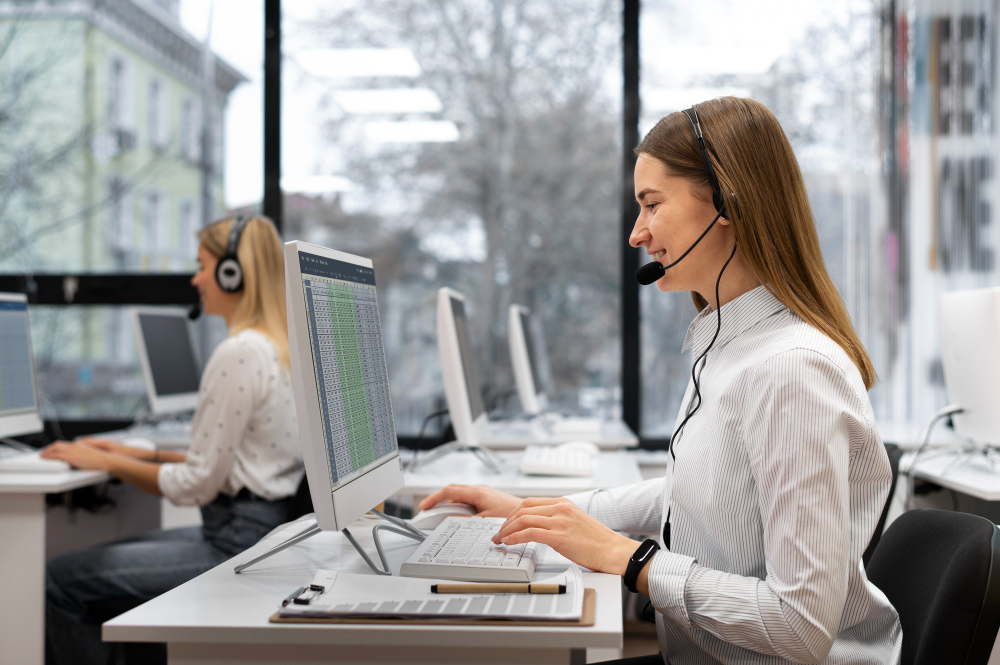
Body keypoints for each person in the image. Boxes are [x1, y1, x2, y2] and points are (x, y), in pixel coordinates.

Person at [420, 97, 902, 665]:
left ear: (726, 199)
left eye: (651, 205)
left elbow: (800, 627)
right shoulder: (726, 346)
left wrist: (633, 560)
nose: (636, 234)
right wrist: (539, 511)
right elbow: (699, 494)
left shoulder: (791, 369)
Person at [41, 215, 304, 665]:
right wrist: (132, 451)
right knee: (109, 560)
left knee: (58, 580)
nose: (194, 278)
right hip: (262, 531)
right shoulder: (277, 347)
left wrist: (107, 463)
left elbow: (195, 485)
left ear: (231, 273)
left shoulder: (238, 353)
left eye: (202, 265)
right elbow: (236, 458)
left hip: (233, 543)